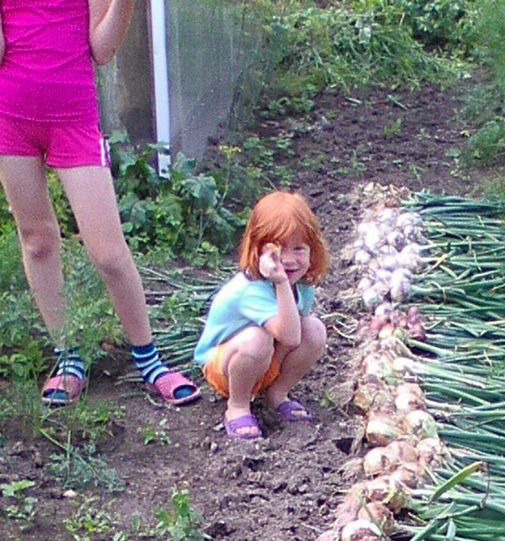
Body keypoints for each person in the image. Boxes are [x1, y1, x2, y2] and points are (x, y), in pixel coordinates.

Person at [0, 0, 199, 405]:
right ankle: (68, 355)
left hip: (74, 119)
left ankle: (150, 360)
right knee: (37, 240)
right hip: (10, 117)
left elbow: (103, 50)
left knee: (108, 253)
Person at [194, 190, 329, 440]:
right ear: (257, 251)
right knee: (257, 338)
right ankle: (237, 406)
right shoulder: (250, 289)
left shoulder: (303, 286)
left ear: (313, 249)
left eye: (299, 249)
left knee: (314, 329)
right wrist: (279, 282)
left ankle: (276, 395)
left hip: (266, 361)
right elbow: (289, 338)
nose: (288, 261)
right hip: (226, 369)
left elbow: (296, 335)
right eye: (277, 251)